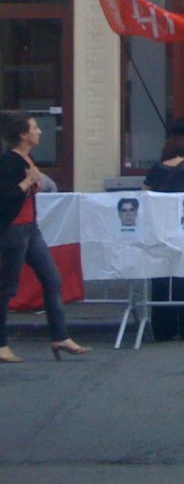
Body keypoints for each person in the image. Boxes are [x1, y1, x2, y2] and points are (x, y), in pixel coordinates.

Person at [0, 111, 91, 363]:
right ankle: (1, 344)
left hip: (30, 228)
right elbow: (5, 197)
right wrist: (27, 182)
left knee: (52, 279)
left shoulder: (27, 158)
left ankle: (60, 336)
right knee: (7, 288)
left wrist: (34, 182)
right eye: (35, 128)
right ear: (23, 134)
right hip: (13, 230)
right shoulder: (9, 162)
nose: (39, 131)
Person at [142, 133, 184, 342]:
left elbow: (145, 196)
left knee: (161, 278)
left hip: (161, 232)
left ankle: (163, 328)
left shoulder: (156, 170)